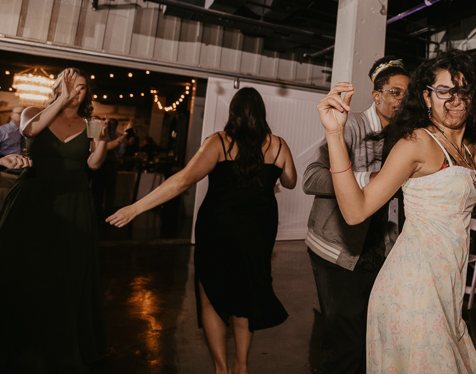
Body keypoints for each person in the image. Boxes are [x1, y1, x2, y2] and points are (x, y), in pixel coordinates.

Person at [317, 50, 476, 373]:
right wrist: (335, 135)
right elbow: (355, 210)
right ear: (427, 97)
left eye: (463, 91)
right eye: (444, 91)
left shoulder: (465, 150)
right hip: (413, 291)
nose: (455, 99)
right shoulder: (417, 142)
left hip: (447, 292)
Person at [106, 87, 296, 374]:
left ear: (233, 113)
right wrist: (270, 176)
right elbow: (291, 181)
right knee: (247, 293)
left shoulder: (218, 142)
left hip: (219, 229)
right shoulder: (278, 145)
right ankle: (241, 366)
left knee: (212, 295)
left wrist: (135, 208)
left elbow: (182, 181)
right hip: (259, 230)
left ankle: (221, 369)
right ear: (261, 114)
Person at [303, 56, 410, 374]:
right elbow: (310, 177)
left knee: (372, 339)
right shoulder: (351, 128)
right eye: (394, 92)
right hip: (338, 250)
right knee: (344, 346)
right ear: (376, 96)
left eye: (408, 93)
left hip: (381, 251)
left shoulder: (406, 138)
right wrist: (365, 180)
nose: (401, 100)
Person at [0, 68, 109, 373]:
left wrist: (102, 138)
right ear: (58, 87)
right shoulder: (35, 112)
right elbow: (31, 132)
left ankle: (60, 346)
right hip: (33, 198)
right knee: (20, 269)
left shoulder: (90, 124)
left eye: (82, 87)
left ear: (88, 93)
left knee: (65, 273)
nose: (76, 92)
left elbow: (94, 164)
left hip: (74, 200)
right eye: (70, 86)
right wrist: (60, 100)